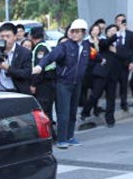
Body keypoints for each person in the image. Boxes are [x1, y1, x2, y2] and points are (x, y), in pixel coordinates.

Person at [33, 19, 91, 148]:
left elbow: (91, 58)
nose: (75, 34)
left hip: (77, 83)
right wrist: (40, 66)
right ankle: (61, 139)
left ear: (84, 33)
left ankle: (70, 136)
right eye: (73, 31)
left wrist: (102, 60)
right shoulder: (64, 46)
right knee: (63, 112)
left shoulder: (86, 46)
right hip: (64, 83)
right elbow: (50, 57)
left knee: (72, 111)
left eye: (78, 32)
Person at [83, 25, 121, 128]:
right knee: (95, 94)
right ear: (106, 33)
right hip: (101, 73)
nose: (113, 32)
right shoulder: (102, 41)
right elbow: (104, 44)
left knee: (111, 97)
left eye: (115, 31)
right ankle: (85, 112)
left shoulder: (118, 44)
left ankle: (110, 120)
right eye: (111, 31)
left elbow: (124, 55)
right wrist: (115, 35)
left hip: (113, 74)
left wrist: (117, 51)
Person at [0, 22, 33, 94]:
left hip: (18, 92)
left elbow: (26, 74)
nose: (5, 39)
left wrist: (8, 68)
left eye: (8, 36)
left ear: (15, 37)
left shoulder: (24, 53)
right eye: (2, 36)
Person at [30, 27, 57, 138]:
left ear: (31, 36)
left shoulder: (40, 48)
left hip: (43, 84)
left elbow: (39, 69)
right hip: (48, 82)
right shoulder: (45, 46)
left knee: (44, 111)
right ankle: (52, 135)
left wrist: (33, 84)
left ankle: (49, 135)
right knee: (47, 111)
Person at [112, 13, 133, 110]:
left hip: (125, 63)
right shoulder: (113, 33)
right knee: (112, 84)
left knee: (123, 84)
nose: (121, 23)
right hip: (113, 62)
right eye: (119, 20)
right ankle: (111, 103)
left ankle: (124, 103)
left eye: (123, 21)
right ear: (116, 22)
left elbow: (132, 49)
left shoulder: (130, 34)